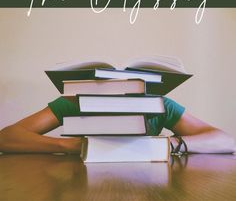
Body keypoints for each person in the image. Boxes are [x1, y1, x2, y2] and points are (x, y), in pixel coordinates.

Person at [0, 96, 235, 154]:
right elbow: (6, 137)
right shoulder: (75, 102)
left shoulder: (158, 105)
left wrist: (170, 143)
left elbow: (226, 140)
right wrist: (71, 146)